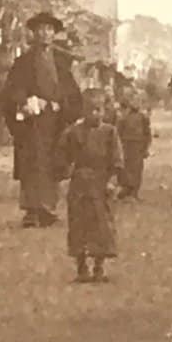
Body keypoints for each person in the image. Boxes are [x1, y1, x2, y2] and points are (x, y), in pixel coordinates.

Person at [0, 10, 82, 228]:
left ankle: (47, 208)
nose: (45, 34)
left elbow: (72, 92)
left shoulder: (61, 63)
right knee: (32, 164)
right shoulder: (23, 62)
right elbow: (12, 90)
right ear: (34, 34)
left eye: (49, 30)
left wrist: (61, 104)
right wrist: (27, 102)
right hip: (32, 123)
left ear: (54, 34)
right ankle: (32, 210)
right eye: (40, 30)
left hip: (55, 122)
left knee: (53, 163)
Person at [59, 88, 123, 283]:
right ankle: (81, 267)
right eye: (90, 110)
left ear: (104, 111)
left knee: (101, 226)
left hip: (100, 184)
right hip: (79, 184)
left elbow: (117, 159)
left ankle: (99, 267)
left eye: (99, 110)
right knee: (79, 224)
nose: (95, 114)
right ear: (83, 111)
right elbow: (62, 155)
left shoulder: (110, 132)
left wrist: (111, 181)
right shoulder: (73, 132)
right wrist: (66, 172)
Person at [115, 92, 153, 200]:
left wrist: (146, 147)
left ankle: (134, 192)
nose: (135, 104)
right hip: (126, 145)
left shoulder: (143, 118)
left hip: (138, 145)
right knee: (126, 168)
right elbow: (118, 133)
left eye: (138, 101)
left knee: (137, 169)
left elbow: (147, 133)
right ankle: (126, 190)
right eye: (133, 101)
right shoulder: (123, 118)